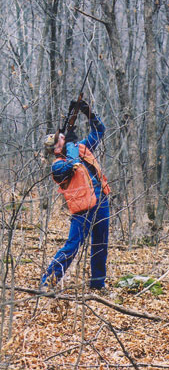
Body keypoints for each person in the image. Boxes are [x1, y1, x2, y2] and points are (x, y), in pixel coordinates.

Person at [41, 100, 110, 291]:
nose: (62, 137)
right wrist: (71, 144)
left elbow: (100, 131)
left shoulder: (78, 147)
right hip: (82, 208)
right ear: (55, 149)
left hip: (101, 201)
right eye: (59, 139)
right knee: (72, 246)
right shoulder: (57, 166)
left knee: (101, 245)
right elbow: (73, 164)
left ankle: (98, 284)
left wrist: (89, 114)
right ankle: (47, 282)